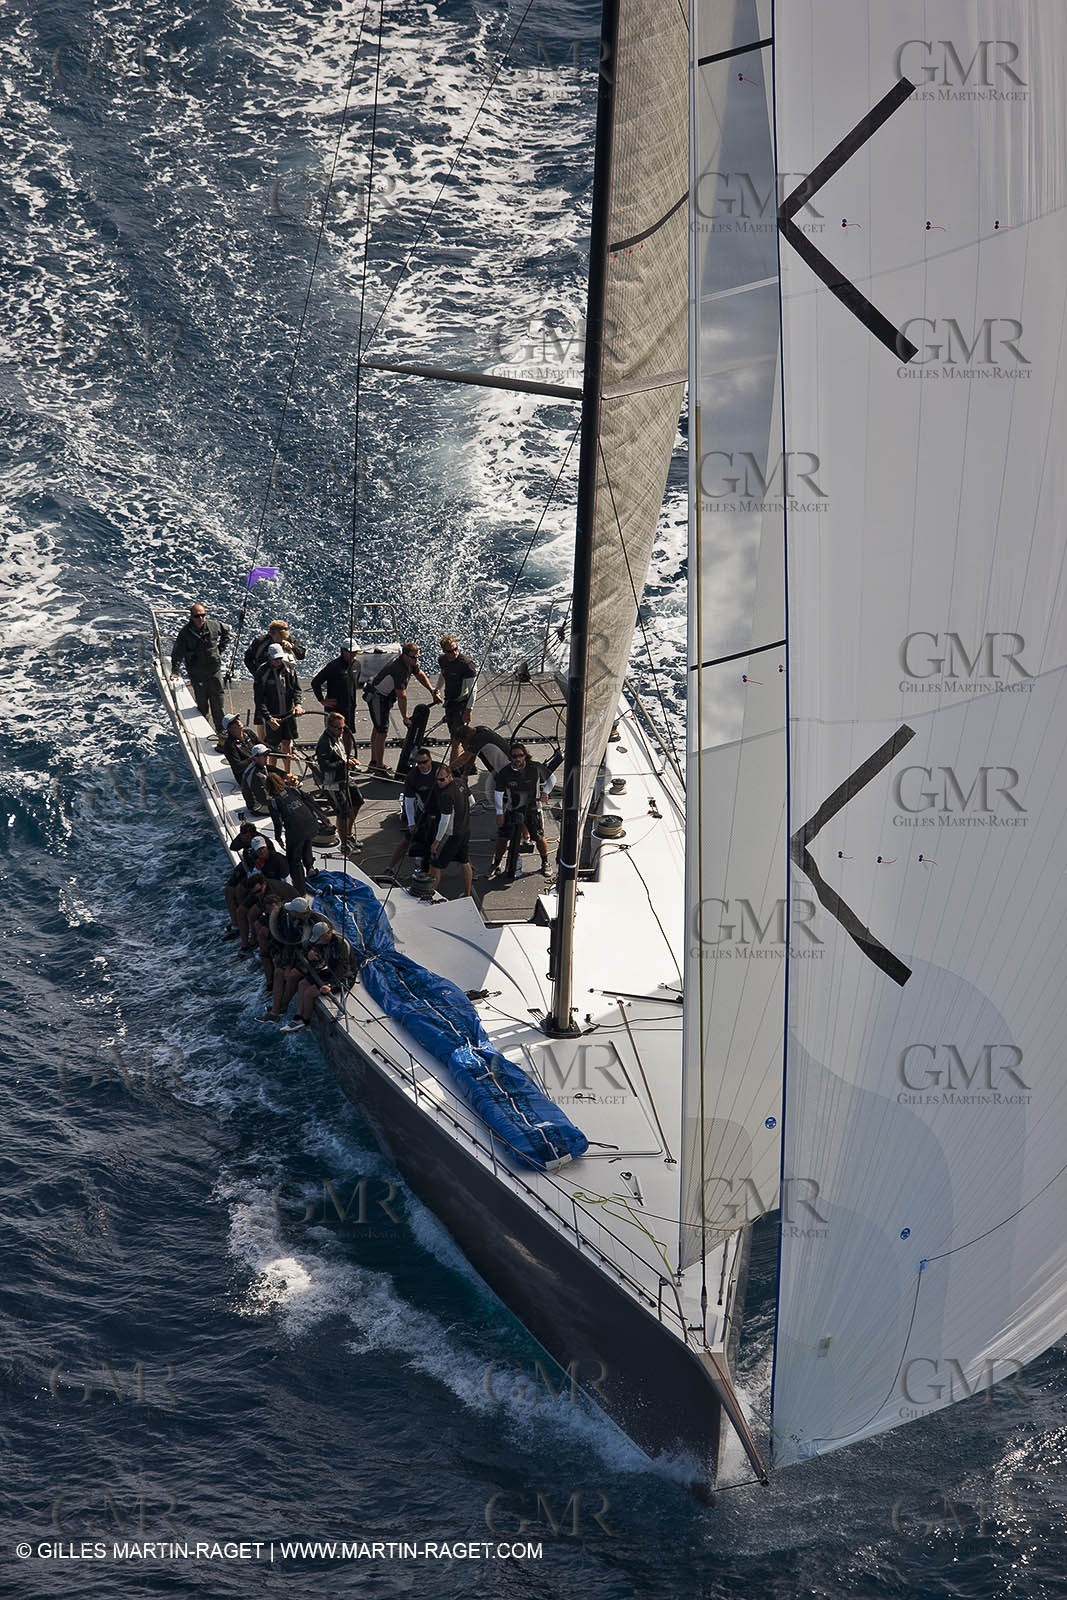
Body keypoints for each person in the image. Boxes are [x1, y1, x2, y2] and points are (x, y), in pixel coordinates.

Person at [365, 642, 440, 775]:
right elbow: (402, 695)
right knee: (381, 731)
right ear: (404, 655)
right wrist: (405, 718)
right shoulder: (398, 668)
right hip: (377, 697)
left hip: (387, 697)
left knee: (378, 728)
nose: (415, 660)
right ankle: (379, 767)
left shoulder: (410, 663)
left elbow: (420, 674)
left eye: (417, 657)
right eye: (413, 657)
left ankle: (374, 762)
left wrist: (432, 690)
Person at [261, 895, 328, 1025]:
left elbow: (322, 946)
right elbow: (290, 942)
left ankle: (282, 1006)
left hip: (317, 958)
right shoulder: (293, 919)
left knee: (292, 975)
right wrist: (286, 964)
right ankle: (274, 1012)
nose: (289, 912)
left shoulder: (317, 923)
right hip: (300, 955)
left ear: (299, 913)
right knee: (279, 972)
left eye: (292, 910)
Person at [170, 602, 230, 741]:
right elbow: (177, 653)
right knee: (202, 704)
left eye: (203, 615)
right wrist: (175, 671)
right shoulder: (185, 633)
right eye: (197, 616)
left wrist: (220, 649)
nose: (201, 619)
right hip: (197, 674)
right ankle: (205, 732)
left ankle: (221, 731)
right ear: (191, 617)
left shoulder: (214, 625)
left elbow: (226, 632)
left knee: (218, 702)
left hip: (214, 671)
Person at [492, 743, 554, 877]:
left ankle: (545, 862)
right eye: (514, 756)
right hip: (512, 808)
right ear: (510, 758)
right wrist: (499, 813)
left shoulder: (535, 767)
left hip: (532, 808)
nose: (517, 759)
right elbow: (498, 793)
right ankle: (496, 863)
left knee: (538, 837)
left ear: (525, 755)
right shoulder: (505, 772)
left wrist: (546, 792)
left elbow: (552, 778)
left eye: (520, 755)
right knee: (502, 837)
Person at [285, 922, 355, 1033]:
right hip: (331, 971)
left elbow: (343, 968)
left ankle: (305, 1021)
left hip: (344, 977)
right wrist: (310, 954)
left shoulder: (340, 945)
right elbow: (314, 947)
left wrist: (330, 985)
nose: (319, 942)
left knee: (309, 993)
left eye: (320, 938)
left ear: (327, 934)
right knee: (302, 984)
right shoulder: (324, 941)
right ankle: (298, 1016)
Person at [384, 747, 439, 877]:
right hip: (423, 812)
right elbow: (409, 801)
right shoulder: (412, 776)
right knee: (407, 840)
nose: (422, 766)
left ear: (430, 759)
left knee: (454, 840)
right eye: (419, 763)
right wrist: (411, 822)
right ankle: (389, 868)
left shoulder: (440, 769)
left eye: (425, 762)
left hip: (442, 812)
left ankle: (468, 867)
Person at [265, 770, 321, 892]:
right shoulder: (293, 790)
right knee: (306, 841)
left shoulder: (273, 801)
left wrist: (278, 838)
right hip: (311, 824)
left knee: (293, 859)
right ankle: (310, 868)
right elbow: (310, 801)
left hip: (296, 831)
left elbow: (277, 822)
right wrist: (323, 817)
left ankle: (300, 891)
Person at [315, 712, 363, 852]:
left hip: (345, 777)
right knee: (342, 813)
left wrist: (349, 762)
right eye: (338, 728)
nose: (341, 731)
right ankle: (343, 844)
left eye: (342, 728)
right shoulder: (324, 743)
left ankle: (347, 834)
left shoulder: (337, 736)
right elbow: (325, 767)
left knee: (357, 801)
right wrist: (344, 763)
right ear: (329, 726)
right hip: (333, 783)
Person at [253, 642, 303, 771]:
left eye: (280, 658)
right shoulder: (262, 672)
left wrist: (297, 704)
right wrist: (269, 719)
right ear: (269, 657)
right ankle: (273, 774)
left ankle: (288, 773)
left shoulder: (289, 669)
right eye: (275, 659)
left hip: (288, 714)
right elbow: (259, 700)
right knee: (272, 748)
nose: (278, 661)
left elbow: (296, 689)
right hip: (273, 716)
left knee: (287, 743)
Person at [424, 765, 473, 896]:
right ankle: (467, 893)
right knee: (464, 861)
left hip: (451, 835)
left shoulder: (446, 795)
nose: (439, 783)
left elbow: (445, 821)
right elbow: (472, 801)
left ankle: (429, 895)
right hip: (465, 831)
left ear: (450, 777)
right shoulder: (461, 782)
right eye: (437, 780)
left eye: (442, 780)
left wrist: (436, 841)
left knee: (435, 865)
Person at [311, 640, 362, 758]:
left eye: (355, 652)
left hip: (350, 706)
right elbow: (316, 682)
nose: (353, 654)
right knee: (334, 733)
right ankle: (333, 758)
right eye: (350, 652)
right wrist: (322, 700)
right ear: (343, 651)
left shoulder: (357, 665)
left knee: (348, 732)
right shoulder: (333, 666)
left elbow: (356, 682)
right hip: (335, 708)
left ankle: (348, 758)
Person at [435, 636, 478, 764]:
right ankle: (469, 764)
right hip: (450, 704)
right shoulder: (442, 660)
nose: (453, 653)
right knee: (462, 738)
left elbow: (473, 690)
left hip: (461, 705)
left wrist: (468, 710)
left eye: (455, 649)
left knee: (456, 739)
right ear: (444, 651)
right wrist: (437, 689)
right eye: (449, 651)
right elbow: (443, 674)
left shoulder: (466, 665)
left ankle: (453, 769)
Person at [240, 744, 272, 816]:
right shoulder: (256, 776)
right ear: (255, 758)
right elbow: (263, 799)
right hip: (258, 807)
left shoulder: (259, 765)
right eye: (264, 755)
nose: (267, 757)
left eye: (267, 754)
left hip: (262, 801)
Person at [221, 713, 255, 778]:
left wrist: (279, 753)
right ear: (229, 728)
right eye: (234, 722)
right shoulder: (229, 746)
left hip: (259, 767)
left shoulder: (249, 733)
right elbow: (237, 768)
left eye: (237, 719)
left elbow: (264, 745)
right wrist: (254, 758)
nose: (237, 722)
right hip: (246, 776)